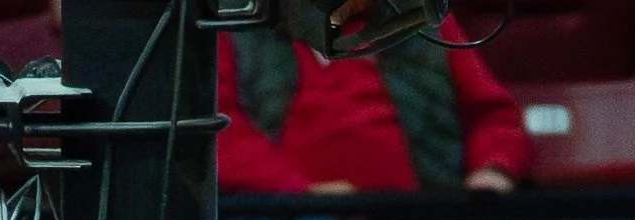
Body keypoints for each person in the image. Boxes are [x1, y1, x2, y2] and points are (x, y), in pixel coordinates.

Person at [216, 17, 523, 190]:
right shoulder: (237, 25)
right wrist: (297, 191)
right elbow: (219, 136)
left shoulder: (423, 18)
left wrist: (493, 169)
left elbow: (494, 117)